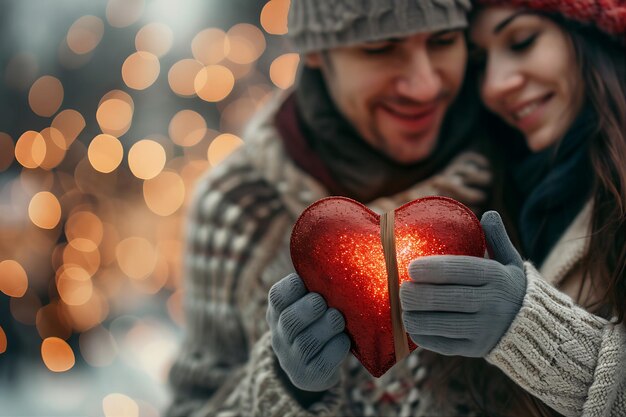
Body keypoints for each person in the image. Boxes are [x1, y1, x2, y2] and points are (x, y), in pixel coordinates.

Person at [166, 0, 497, 416]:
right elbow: (191, 408)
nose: (425, 84)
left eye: (444, 41)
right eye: (379, 48)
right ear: (316, 51)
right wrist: (286, 390)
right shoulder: (239, 206)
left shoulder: (516, 163)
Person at [396, 1, 626, 415]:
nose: (494, 86)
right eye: (481, 62)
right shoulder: (484, 191)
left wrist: (530, 330)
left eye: (521, 41)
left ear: (594, 36)